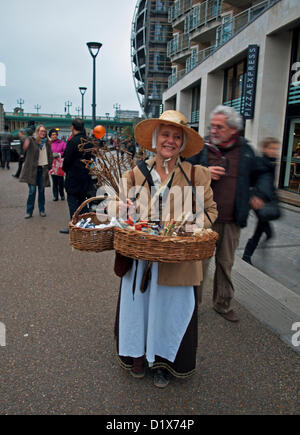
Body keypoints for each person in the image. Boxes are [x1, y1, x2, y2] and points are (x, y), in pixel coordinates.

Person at [114, 110, 217, 388]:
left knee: (170, 313)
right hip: (140, 260)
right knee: (139, 310)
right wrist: (122, 209)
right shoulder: (134, 174)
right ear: (156, 139)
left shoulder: (197, 174)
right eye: (165, 135)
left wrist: (187, 229)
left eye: (176, 136)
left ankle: (163, 363)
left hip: (178, 260)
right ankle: (137, 355)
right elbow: (116, 208)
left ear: (182, 143)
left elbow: (210, 212)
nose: (169, 141)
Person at [188, 105, 256, 323]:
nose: (214, 130)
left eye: (219, 127)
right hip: (204, 219)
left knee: (225, 264)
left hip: (232, 220)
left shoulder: (246, 151)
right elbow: (183, 173)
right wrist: (204, 174)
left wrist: (260, 194)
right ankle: (191, 306)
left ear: (233, 130)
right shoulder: (202, 148)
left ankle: (223, 304)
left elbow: (258, 176)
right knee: (199, 264)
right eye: (212, 126)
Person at [242, 138, 280, 265]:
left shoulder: (271, 163)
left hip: (267, 200)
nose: (274, 151)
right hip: (258, 202)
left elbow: (269, 183)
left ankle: (247, 254)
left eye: (276, 149)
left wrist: (274, 197)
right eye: (272, 148)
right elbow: (247, 181)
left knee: (263, 229)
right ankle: (247, 254)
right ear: (264, 149)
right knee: (263, 229)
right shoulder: (258, 162)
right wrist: (252, 196)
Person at [60, 118, 93, 234]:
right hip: (85, 176)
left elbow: (67, 159)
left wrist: (64, 169)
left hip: (73, 177)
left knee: (73, 202)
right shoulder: (87, 141)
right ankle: (86, 224)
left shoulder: (72, 141)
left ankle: (74, 227)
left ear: (72, 127)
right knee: (83, 201)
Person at [19, 125, 53, 218]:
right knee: (32, 191)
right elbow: (23, 140)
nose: (43, 133)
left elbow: (50, 154)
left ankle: (42, 210)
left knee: (41, 191)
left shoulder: (47, 143)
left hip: (43, 169)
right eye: (41, 131)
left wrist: (49, 165)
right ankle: (29, 211)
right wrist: (24, 139)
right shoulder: (32, 140)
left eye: (44, 131)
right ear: (37, 132)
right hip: (32, 169)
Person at [48, 128, 66, 201]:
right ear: (50, 136)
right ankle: (55, 196)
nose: (54, 136)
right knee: (54, 181)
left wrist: (58, 154)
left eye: (55, 134)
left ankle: (62, 194)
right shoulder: (48, 144)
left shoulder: (62, 143)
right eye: (52, 135)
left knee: (60, 181)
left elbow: (65, 152)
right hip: (52, 164)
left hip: (60, 165)